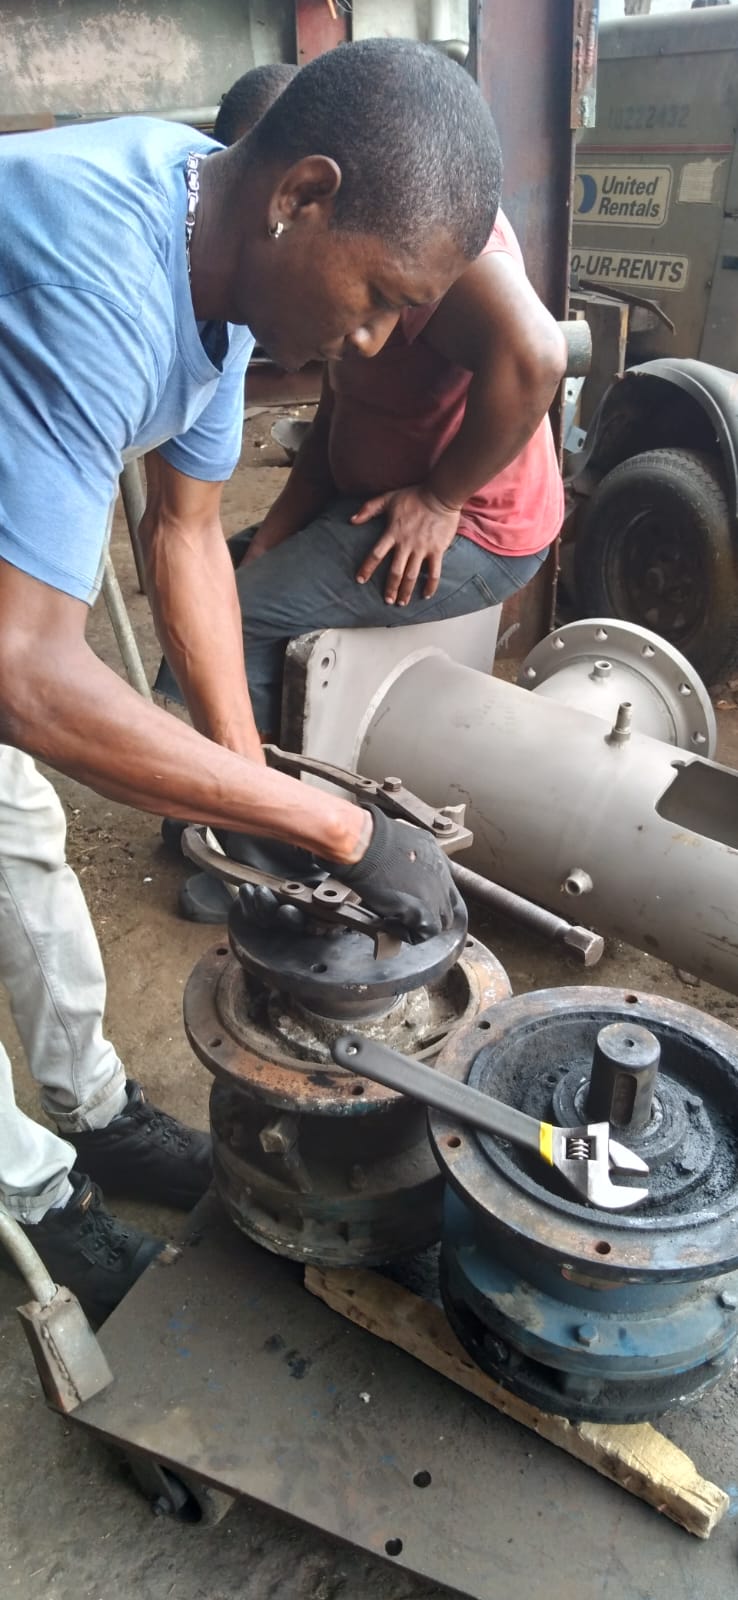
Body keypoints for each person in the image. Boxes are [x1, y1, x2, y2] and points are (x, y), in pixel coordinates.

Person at [0, 39, 501, 1319]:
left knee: (21, 836)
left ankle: (92, 1114)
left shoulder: (225, 282)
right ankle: (36, 1202)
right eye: (382, 291)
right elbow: (24, 668)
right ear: (303, 195)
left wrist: (245, 785)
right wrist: (331, 821)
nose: (378, 336)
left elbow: (184, 535)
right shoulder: (95, 271)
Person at [165, 63, 566, 921]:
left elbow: (536, 358)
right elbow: (341, 415)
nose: (372, 336)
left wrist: (445, 495)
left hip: (475, 525)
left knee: (241, 618)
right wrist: (274, 531)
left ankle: (267, 857)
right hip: (372, 496)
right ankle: (212, 799)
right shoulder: (344, 254)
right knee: (225, 579)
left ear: (303, 188)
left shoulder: (408, 237)